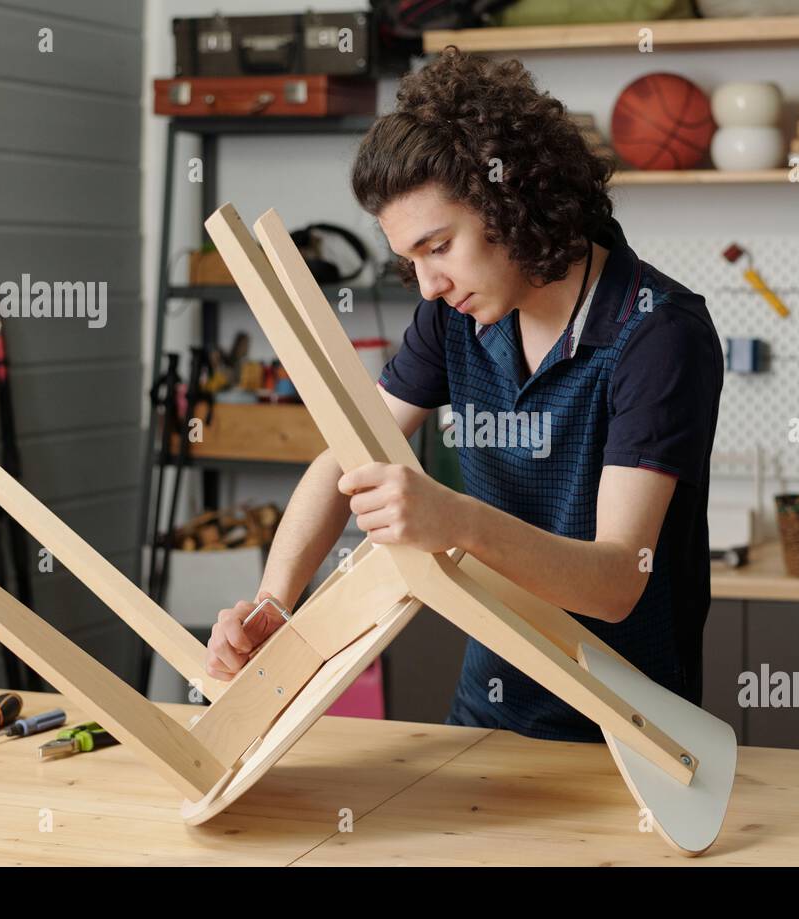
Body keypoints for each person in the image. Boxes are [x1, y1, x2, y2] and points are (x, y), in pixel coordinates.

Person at [205, 47, 723, 742]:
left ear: (510, 201)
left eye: (439, 247)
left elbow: (617, 581)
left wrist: (457, 521)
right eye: (409, 260)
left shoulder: (657, 332)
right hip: (487, 714)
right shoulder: (454, 317)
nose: (427, 285)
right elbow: (343, 462)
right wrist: (273, 605)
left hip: (630, 736)